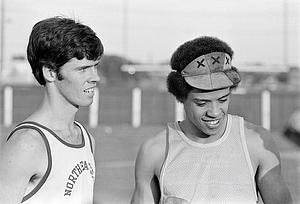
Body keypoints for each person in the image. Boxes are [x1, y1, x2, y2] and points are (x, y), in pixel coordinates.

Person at [131, 36, 292, 204]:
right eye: (202, 103)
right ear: (180, 97)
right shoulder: (155, 151)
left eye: (223, 100)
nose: (215, 112)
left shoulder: (257, 144)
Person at [0, 16, 104, 204]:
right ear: (50, 72)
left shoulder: (87, 139)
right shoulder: (27, 144)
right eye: (83, 69)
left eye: (95, 66)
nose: (95, 77)